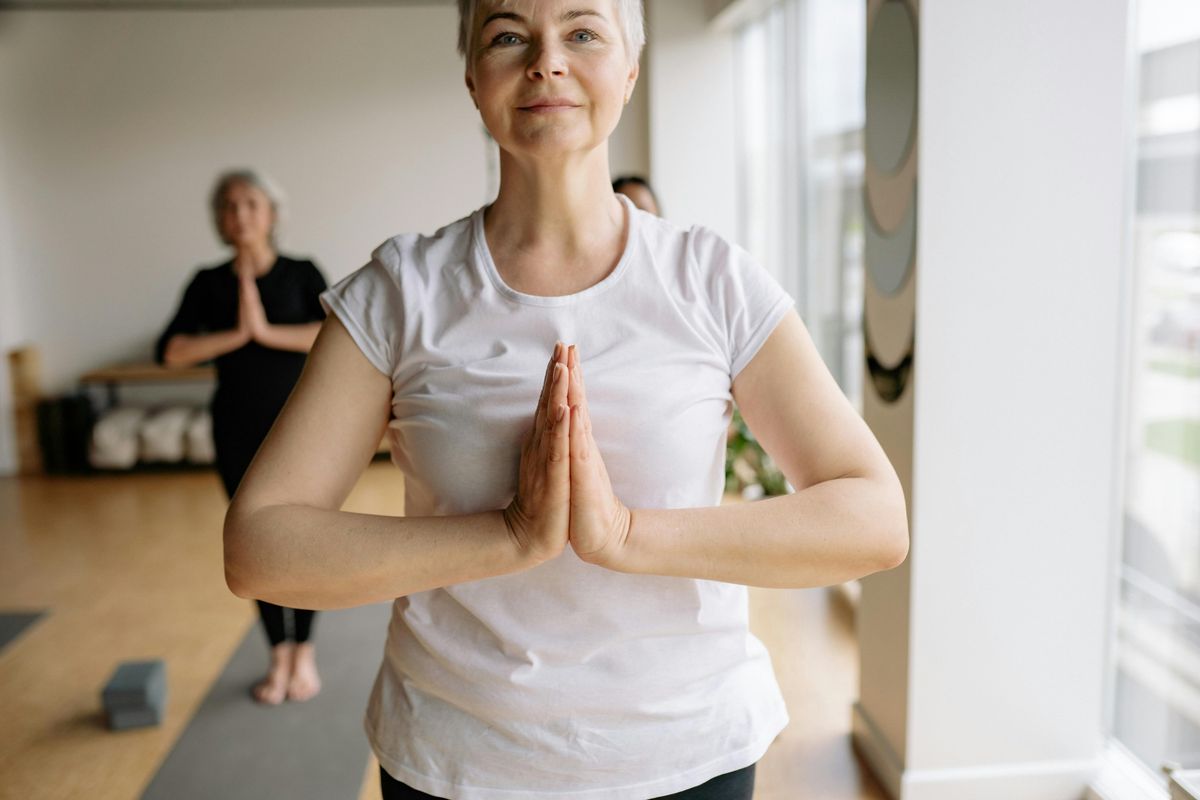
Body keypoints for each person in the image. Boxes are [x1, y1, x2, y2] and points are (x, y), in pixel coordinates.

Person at [224, 0, 909, 797]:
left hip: (687, 755)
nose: (546, 61)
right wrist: (509, 537)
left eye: (583, 32)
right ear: (474, 78)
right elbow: (259, 547)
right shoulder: (400, 292)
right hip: (456, 761)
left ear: (630, 68)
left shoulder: (712, 280)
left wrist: (622, 535)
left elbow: (874, 517)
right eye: (508, 36)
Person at [156, 169, 328, 706]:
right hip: (235, 424)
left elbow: (338, 333)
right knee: (255, 542)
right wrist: (237, 334)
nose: (241, 214)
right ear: (219, 220)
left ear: (272, 215)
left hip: (299, 423)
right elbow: (171, 350)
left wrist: (266, 333)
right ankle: (278, 653)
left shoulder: (301, 273)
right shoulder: (207, 283)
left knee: (304, 538)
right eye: (229, 206)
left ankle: (306, 651)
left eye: (251, 203)